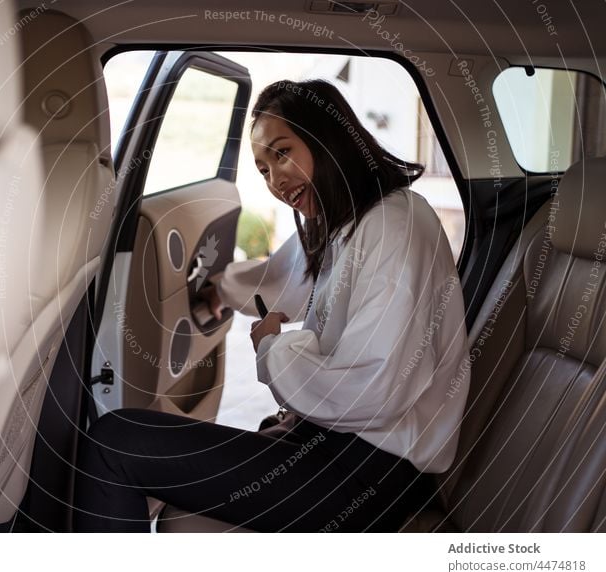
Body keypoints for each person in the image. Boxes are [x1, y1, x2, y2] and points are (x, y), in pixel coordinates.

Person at [72, 79, 470, 532]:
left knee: (115, 444)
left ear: (327, 138)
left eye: (282, 154)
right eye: (262, 170)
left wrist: (273, 348)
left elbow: (373, 389)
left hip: (369, 476)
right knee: (127, 443)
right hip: (338, 447)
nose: (275, 180)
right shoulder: (346, 223)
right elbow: (283, 279)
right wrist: (219, 292)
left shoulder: (395, 227)